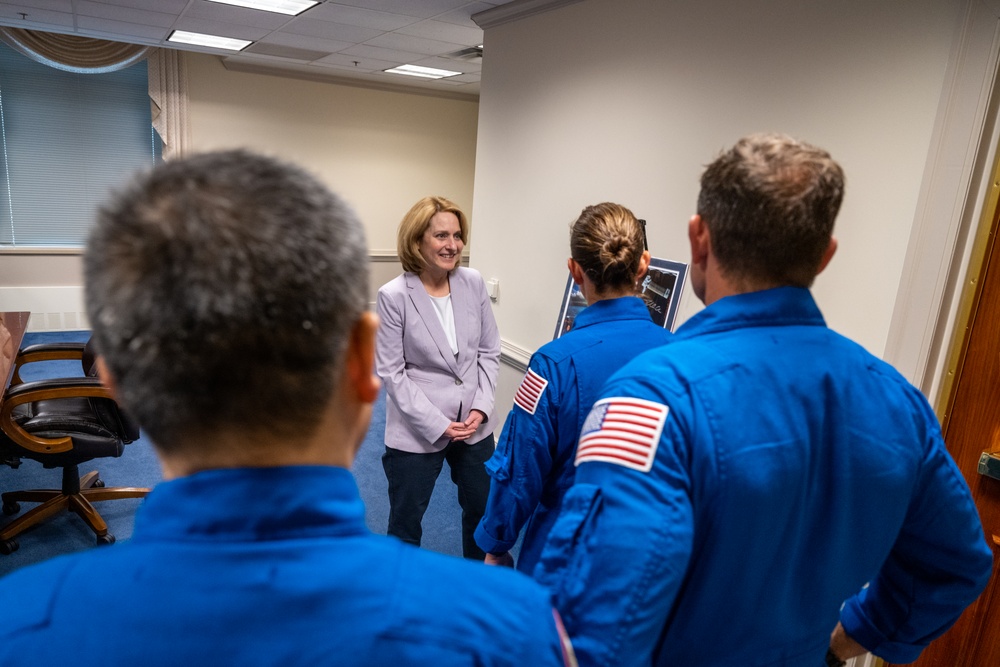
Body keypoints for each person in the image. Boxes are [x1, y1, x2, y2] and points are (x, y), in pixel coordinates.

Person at [0, 151, 574, 667]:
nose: (450, 245)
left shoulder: (17, 628)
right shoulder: (517, 630)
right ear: (358, 368)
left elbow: (482, 351)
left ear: (116, 381)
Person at [534, 133, 993, 666]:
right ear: (824, 256)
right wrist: (843, 643)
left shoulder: (651, 399)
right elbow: (955, 562)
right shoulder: (896, 402)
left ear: (698, 238)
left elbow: (597, 630)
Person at [474, 202, 671, 573]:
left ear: (574, 271)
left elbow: (520, 468)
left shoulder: (553, 365)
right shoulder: (683, 357)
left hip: (566, 557)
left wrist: (496, 544)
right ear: (644, 264)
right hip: (652, 562)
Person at [376, 196, 499, 560]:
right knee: (405, 524)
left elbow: (489, 351)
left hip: (474, 424)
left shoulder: (472, 282)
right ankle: (400, 600)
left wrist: (481, 407)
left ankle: (474, 590)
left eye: (458, 235)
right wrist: (438, 423)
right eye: (441, 235)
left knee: (482, 513)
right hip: (418, 426)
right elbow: (392, 373)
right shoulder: (394, 295)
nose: (453, 245)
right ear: (417, 241)